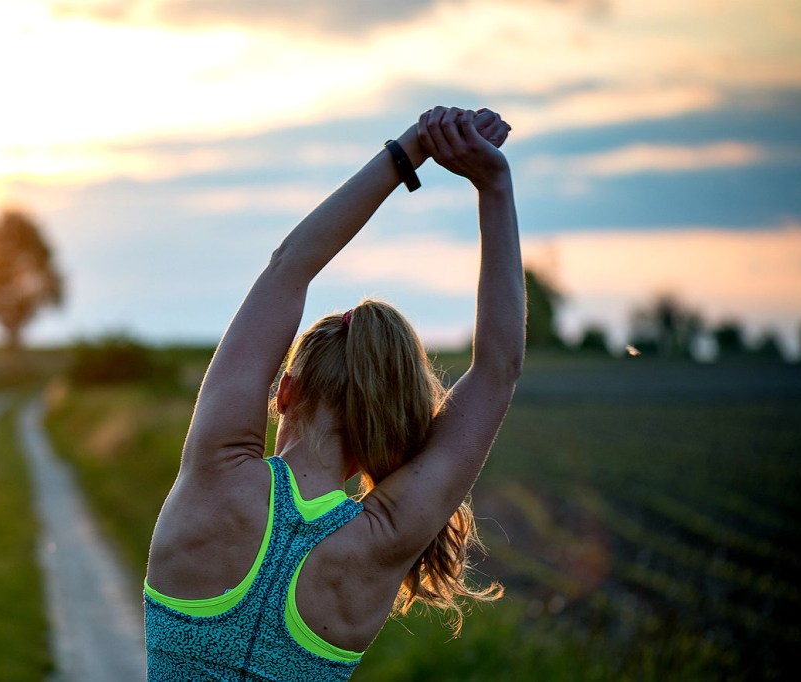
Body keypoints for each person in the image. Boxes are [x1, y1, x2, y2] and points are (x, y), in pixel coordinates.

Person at [143, 105, 525, 681]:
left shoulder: (217, 473)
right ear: (393, 424)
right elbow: (498, 369)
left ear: (285, 390)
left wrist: (411, 148)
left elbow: (287, 269)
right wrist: (493, 184)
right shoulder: (382, 540)